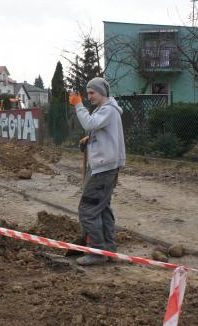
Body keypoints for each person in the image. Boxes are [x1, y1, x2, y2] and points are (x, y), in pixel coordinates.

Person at [69, 77, 126, 266]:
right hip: (105, 165)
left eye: (92, 93)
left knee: (87, 209)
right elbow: (98, 130)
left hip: (104, 168)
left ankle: (97, 250)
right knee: (102, 209)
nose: (89, 97)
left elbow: (90, 123)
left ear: (102, 92)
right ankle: (109, 250)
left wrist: (78, 105)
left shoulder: (108, 109)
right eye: (87, 94)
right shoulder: (104, 110)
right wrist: (90, 139)